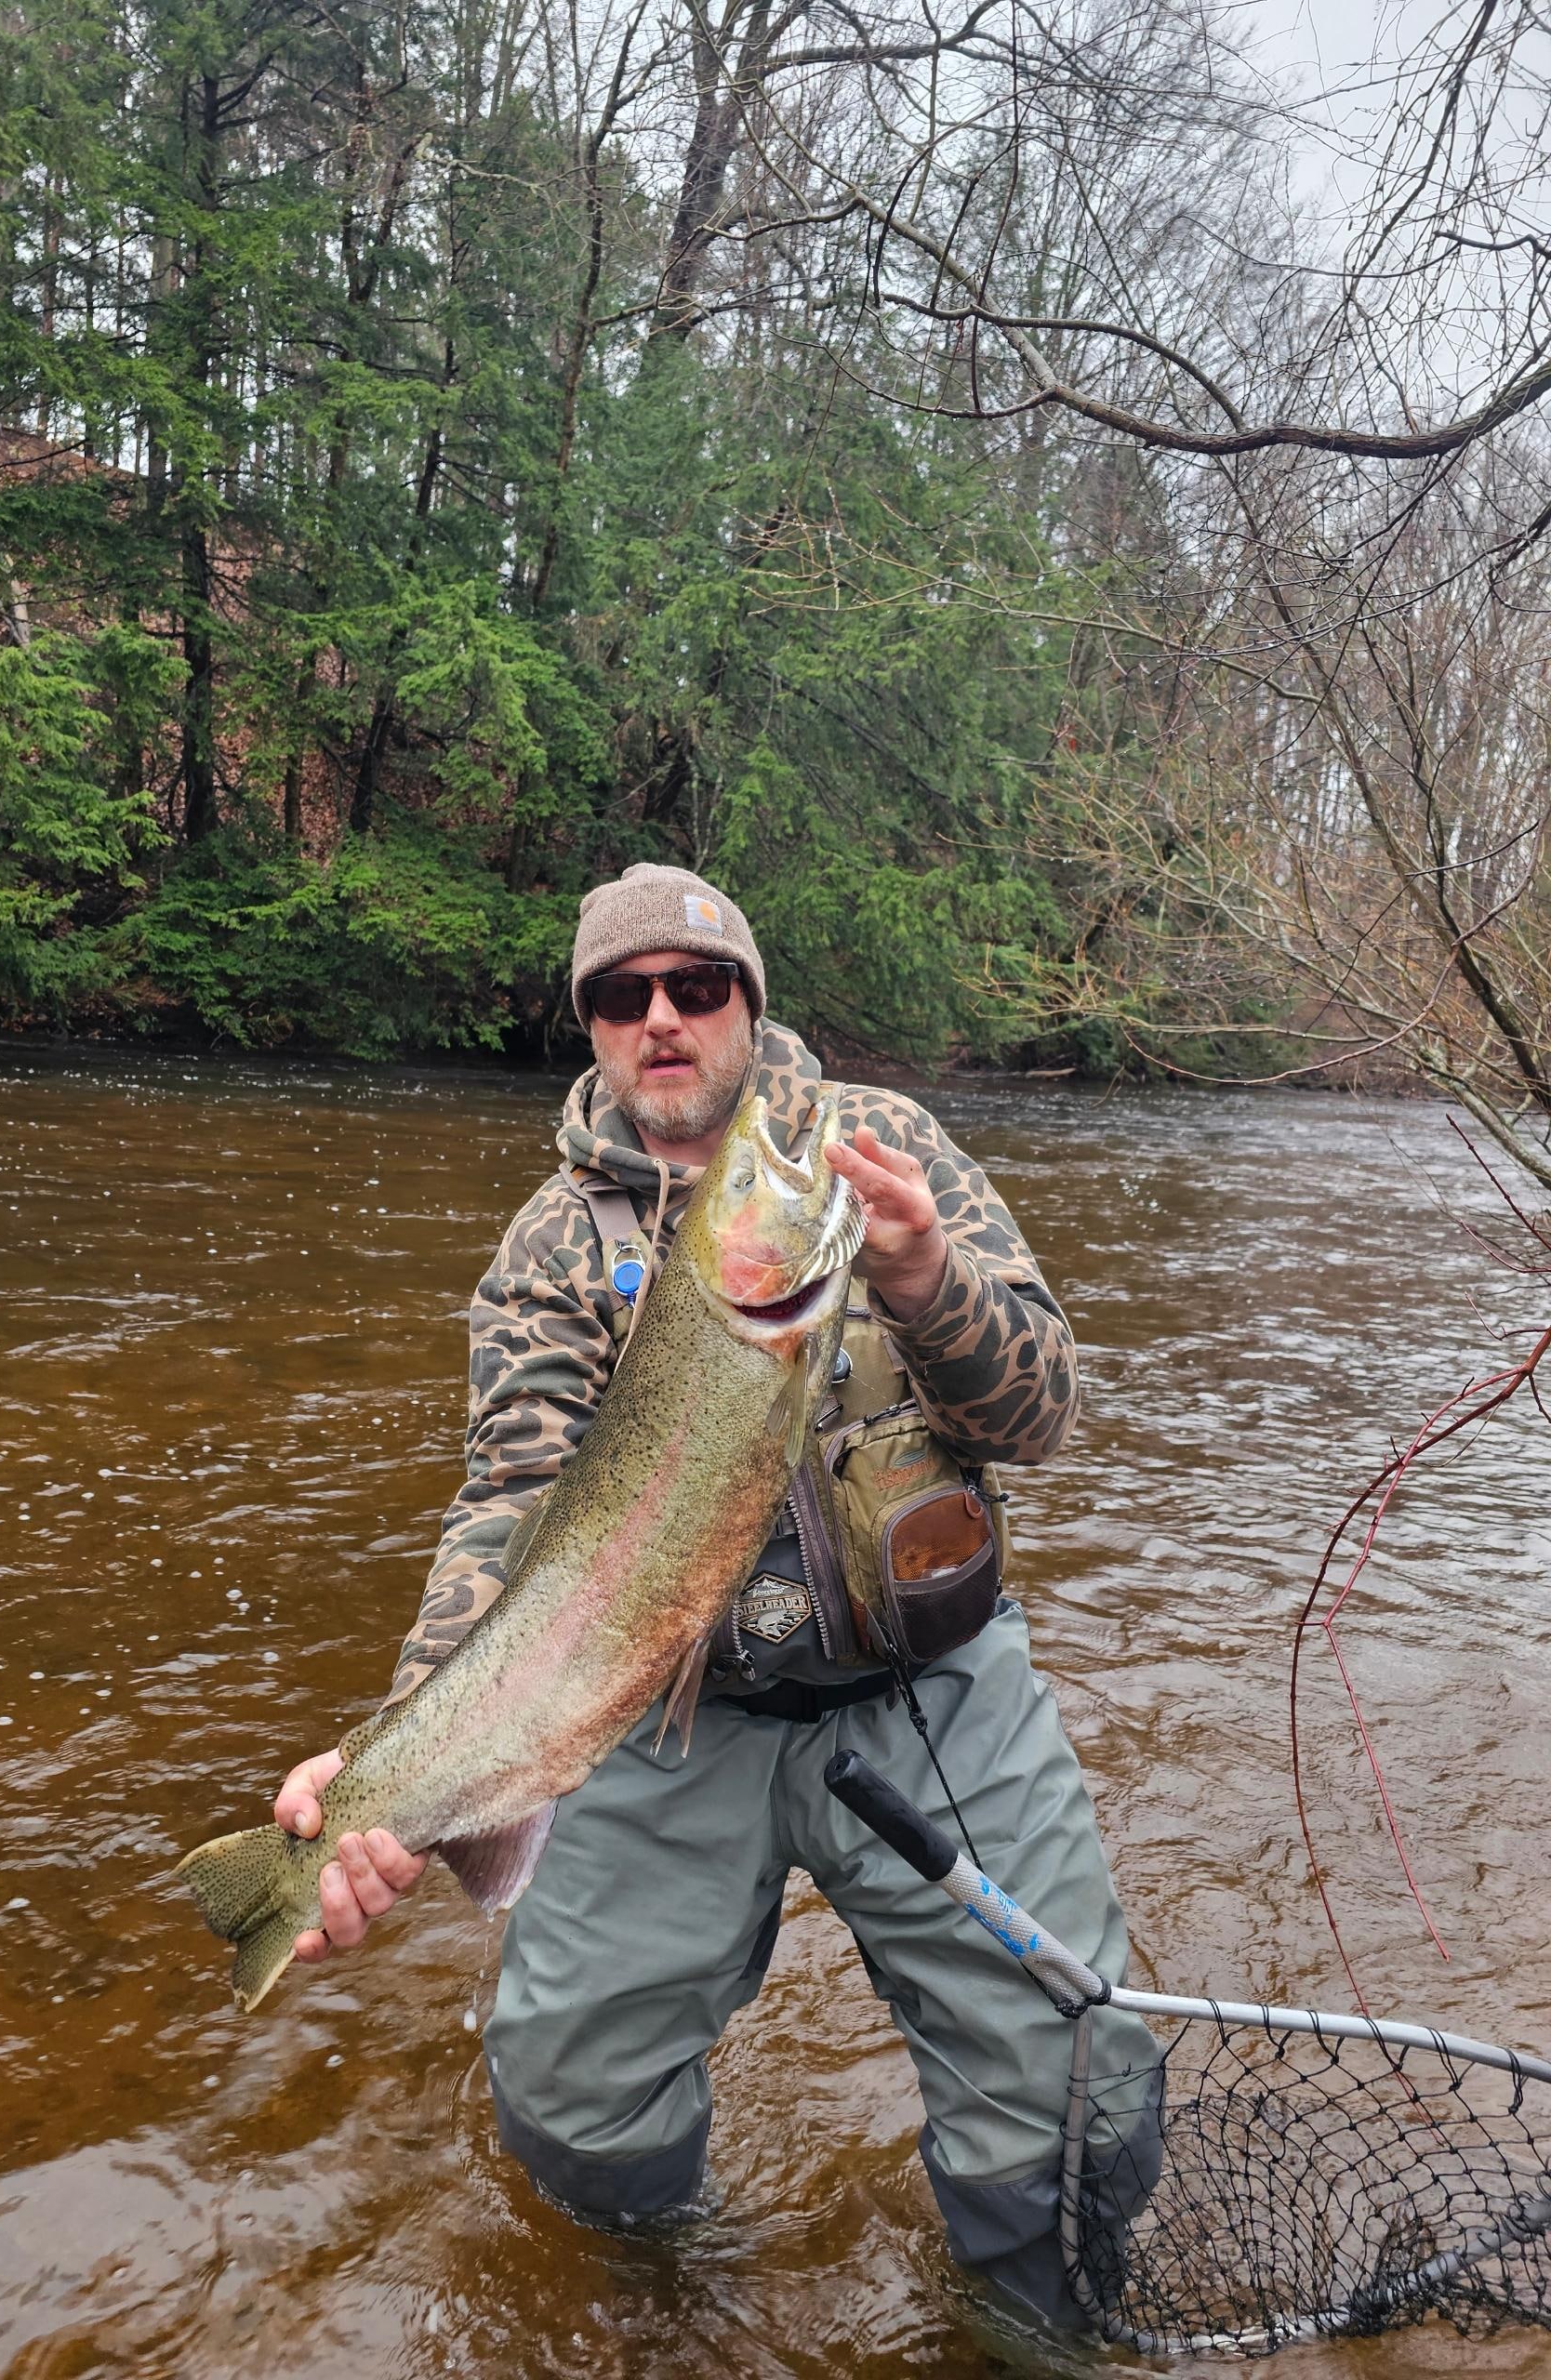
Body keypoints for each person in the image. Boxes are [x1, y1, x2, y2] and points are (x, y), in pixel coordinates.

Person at [272, 863, 1155, 2324]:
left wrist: (927, 1279)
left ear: (748, 1001)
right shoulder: (552, 1247)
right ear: (592, 1026)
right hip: (664, 1715)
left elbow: (1041, 1416)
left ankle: (1044, 2331)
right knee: (574, 2110)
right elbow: (509, 1508)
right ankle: (651, 2318)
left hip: (930, 1692)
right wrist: (404, 1742)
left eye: (696, 987)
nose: (662, 1019)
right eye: (624, 997)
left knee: (1077, 2096)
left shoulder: (882, 1150)